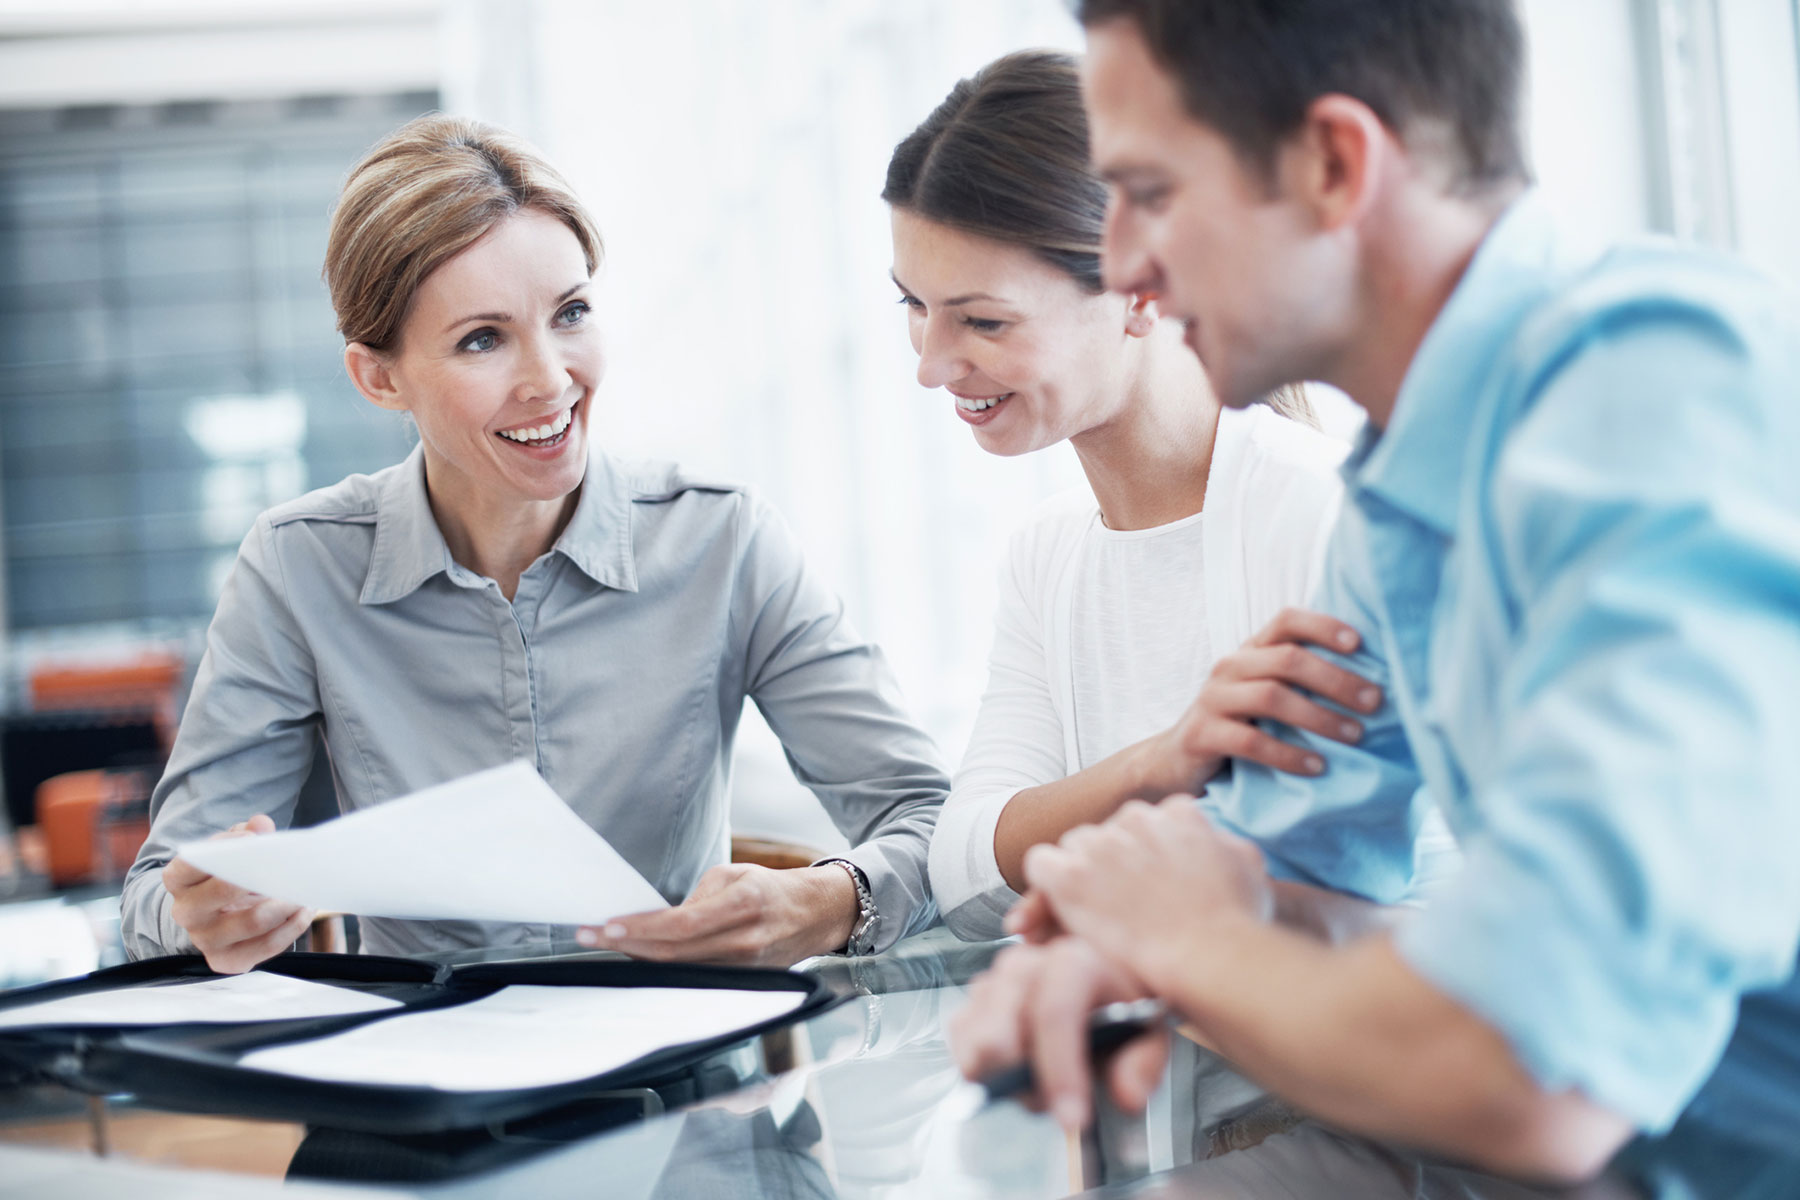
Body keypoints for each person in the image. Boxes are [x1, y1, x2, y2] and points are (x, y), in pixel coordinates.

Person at [950, 0, 1800, 1187]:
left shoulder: (1648, 388)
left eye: (1151, 192)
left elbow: (1541, 1075)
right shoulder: (1405, 482)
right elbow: (1304, 871)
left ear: (1335, 164)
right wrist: (1138, 918)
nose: (1128, 263)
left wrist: (1182, 937)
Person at [121, 115, 948, 973]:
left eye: (572, 313)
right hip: (424, 1080)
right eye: (482, 339)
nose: (551, 380)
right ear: (380, 376)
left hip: (682, 1079)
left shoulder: (724, 540)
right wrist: (209, 913)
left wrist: (824, 900)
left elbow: (930, 821)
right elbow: (158, 891)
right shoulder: (299, 567)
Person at [886, 51, 1434, 943]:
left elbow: (1363, 903)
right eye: (915, 304)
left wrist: (1069, 824)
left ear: (1143, 290)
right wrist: (1165, 760)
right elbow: (966, 874)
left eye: (982, 320)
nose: (930, 364)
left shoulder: (1320, 520)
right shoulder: (1048, 555)